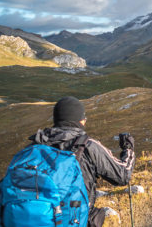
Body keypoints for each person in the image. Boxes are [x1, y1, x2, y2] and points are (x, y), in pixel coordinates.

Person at [29, 96, 135, 227]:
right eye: (84, 118)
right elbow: (123, 175)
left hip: (31, 218)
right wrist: (128, 148)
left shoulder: (34, 146)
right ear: (80, 121)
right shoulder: (87, 145)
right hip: (74, 220)